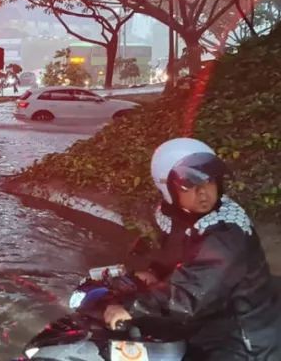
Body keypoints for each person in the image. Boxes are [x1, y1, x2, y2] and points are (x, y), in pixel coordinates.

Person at [103, 138, 281, 360]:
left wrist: (133, 307)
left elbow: (192, 294)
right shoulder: (181, 215)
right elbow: (177, 253)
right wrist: (155, 272)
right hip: (212, 321)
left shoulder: (225, 232)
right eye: (189, 186)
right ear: (167, 188)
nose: (204, 193)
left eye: (209, 182)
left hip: (243, 337)